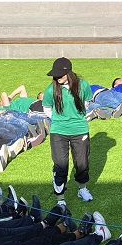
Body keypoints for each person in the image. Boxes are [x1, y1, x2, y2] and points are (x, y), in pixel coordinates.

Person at [43, 57, 93, 201]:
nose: (57, 77)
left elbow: (87, 102)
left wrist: (76, 116)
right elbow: (47, 108)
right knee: (60, 164)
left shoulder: (83, 85)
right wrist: (59, 119)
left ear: (68, 73)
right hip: (58, 131)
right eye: (55, 75)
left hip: (80, 129)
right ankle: (61, 199)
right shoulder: (50, 90)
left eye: (60, 74)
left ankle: (82, 189)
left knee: (82, 163)